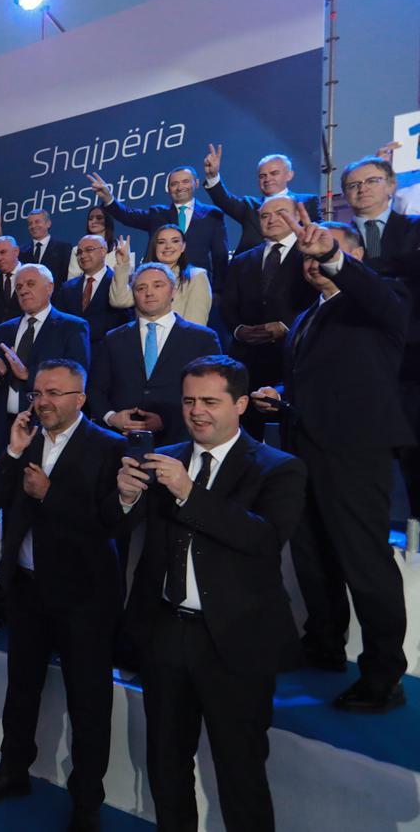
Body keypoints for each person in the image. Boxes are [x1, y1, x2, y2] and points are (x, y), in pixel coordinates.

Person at [116, 355, 306, 832]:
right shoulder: (165, 456)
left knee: (240, 773)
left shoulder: (279, 468)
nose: (196, 411)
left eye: (209, 401)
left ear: (241, 404)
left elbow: (263, 540)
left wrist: (188, 493)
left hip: (236, 643)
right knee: (165, 766)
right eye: (188, 401)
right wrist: (125, 498)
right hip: (165, 633)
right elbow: (117, 528)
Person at [253, 214, 411, 712]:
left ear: (354, 256)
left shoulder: (378, 301)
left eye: (324, 248)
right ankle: (324, 644)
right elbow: (323, 380)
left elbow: (377, 298)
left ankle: (383, 675)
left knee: (363, 559)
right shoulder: (307, 316)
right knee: (312, 555)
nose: (311, 259)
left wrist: (331, 256)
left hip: (355, 452)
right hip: (304, 449)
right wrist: (281, 396)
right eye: (307, 255)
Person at [0, 359, 126, 832]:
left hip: (84, 597)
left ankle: (86, 803)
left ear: (81, 398)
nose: (43, 402)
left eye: (54, 393)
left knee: (88, 703)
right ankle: (13, 771)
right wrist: (13, 452)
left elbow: (113, 523)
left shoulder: (110, 447)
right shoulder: (27, 439)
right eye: (38, 393)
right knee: (21, 690)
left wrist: (50, 494)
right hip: (28, 589)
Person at [338, 155, 420, 551]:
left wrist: (353, 268)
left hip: (410, 363)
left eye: (371, 181)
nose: (362, 190)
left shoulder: (414, 229)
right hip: (354, 364)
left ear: (391, 185)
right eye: (353, 185)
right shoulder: (333, 236)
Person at [88, 263, 221, 443]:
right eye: (141, 288)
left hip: (180, 441)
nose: (149, 293)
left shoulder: (202, 339)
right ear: (133, 294)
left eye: (158, 285)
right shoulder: (114, 339)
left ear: (173, 291)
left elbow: (212, 393)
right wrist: (111, 417)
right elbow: (95, 388)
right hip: (121, 442)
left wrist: (167, 421)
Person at [220, 195, 318, 435]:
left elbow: (318, 300)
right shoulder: (242, 260)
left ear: (297, 216)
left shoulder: (311, 256)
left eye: (280, 213)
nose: (272, 219)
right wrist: (239, 331)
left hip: (293, 361)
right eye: (265, 215)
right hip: (248, 364)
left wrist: (287, 326)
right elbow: (228, 305)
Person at [0, 264, 91, 448]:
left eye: (30, 284)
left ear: (49, 287)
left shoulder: (72, 327)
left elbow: (77, 378)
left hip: (50, 428)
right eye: (19, 287)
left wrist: (28, 374)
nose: (23, 290)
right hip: (3, 429)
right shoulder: (1, 331)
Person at [89, 165, 230, 288]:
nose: (179, 187)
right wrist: (108, 198)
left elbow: (220, 256)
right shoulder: (157, 214)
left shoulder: (212, 215)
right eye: (174, 184)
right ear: (168, 189)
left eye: (185, 181)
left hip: (195, 284)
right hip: (157, 283)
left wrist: (218, 291)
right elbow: (127, 215)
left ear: (196, 183)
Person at [203, 145, 322, 255]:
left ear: (289, 175)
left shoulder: (307, 202)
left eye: (274, 173)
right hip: (253, 266)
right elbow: (223, 200)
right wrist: (213, 176)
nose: (267, 179)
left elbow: (318, 233)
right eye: (262, 176)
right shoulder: (250, 206)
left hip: (294, 265)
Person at [107, 226, 213, 326]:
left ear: (183, 246)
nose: (168, 246)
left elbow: (196, 325)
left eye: (175, 241)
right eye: (161, 242)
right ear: (155, 247)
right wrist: (123, 264)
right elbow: (119, 301)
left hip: (178, 338)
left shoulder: (196, 276)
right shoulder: (144, 276)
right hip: (145, 337)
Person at [54, 233, 131, 346]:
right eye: (79, 252)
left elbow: (123, 322)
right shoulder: (67, 288)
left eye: (89, 250)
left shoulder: (119, 285)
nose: (83, 255)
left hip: (108, 351)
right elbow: (59, 323)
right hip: (73, 352)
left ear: (103, 251)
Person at [18, 208, 73, 284]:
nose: (33, 226)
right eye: (30, 223)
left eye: (37, 222)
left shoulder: (64, 249)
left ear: (48, 224)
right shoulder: (21, 252)